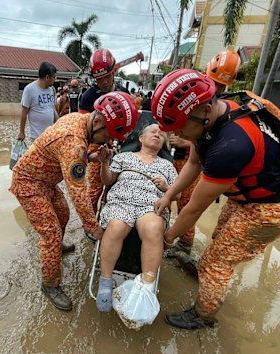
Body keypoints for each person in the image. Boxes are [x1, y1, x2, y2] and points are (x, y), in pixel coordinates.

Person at [152, 69, 280, 329]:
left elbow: (194, 209)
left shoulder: (230, 146)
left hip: (273, 207)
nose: (177, 133)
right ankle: (206, 272)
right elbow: (193, 162)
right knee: (221, 237)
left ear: (203, 110)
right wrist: (169, 194)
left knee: (218, 261)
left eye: (180, 126)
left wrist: (167, 239)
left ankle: (202, 315)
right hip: (248, 196)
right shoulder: (213, 118)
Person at [10, 91, 139, 311]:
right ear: (97, 121)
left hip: (46, 181)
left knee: (63, 214)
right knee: (50, 232)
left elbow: (73, 158)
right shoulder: (74, 142)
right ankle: (50, 284)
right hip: (28, 182)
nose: (108, 141)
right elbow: (78, 192)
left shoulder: (81, 121)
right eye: (108, 135)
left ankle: (56, 248)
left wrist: (94, 157)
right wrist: (93, 227)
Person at [167, 51, 241, 268]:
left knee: (189, 204)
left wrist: (186, 142)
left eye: (221, 87)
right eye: (214, 84)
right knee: (179, 199)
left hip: (199, 162)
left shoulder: (223, 112)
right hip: (184, 160)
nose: (216, 90)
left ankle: (184, 244)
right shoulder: (191, 92)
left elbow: (195, 207)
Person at [95, 124, 177, 312]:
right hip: (120, 201)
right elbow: (107, 181)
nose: (158, 134)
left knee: (153, 228)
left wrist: (166, 188)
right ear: (140, 138)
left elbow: (178, 196)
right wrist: (104, 163)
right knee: (115, 226)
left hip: (150, 205)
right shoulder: (123, 157)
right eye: (153, 132)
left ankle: (145, 289)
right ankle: (106, 283)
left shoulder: (168, 166)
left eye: (161, 134)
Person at [79, 48, 130, 214]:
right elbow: (83, 133)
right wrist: (88, 156)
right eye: (100, 79)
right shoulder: (88, 97)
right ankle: (91, 222)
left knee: (120, 185)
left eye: (108, 77)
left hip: (121, 145)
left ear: (114, 72)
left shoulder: (124, 93)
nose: (105, 82)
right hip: (97, 146)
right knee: (95, 188)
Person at [17, 61, 58, 141]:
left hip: (50, 136)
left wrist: (60, 124)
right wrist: (22, 132)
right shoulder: (29, 89)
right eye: (54, 77)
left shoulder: (51, 90)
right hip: (36, 137)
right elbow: (24, 112)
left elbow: (52, 109)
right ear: (47, 77)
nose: (55, 80)